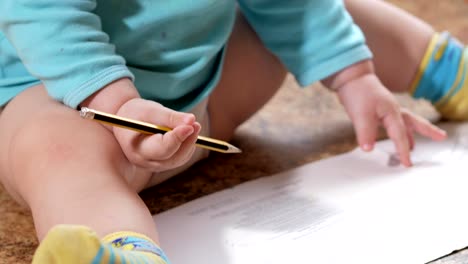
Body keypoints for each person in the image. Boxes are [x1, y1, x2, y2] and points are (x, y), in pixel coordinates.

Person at [0, 0, 463, 263]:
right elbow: (44, 14)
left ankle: (443, 68)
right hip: (73, 99)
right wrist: (118, 106)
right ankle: (120, 247)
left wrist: (354, 75)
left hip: (212, 85)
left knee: (332, 12)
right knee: (55, 152)